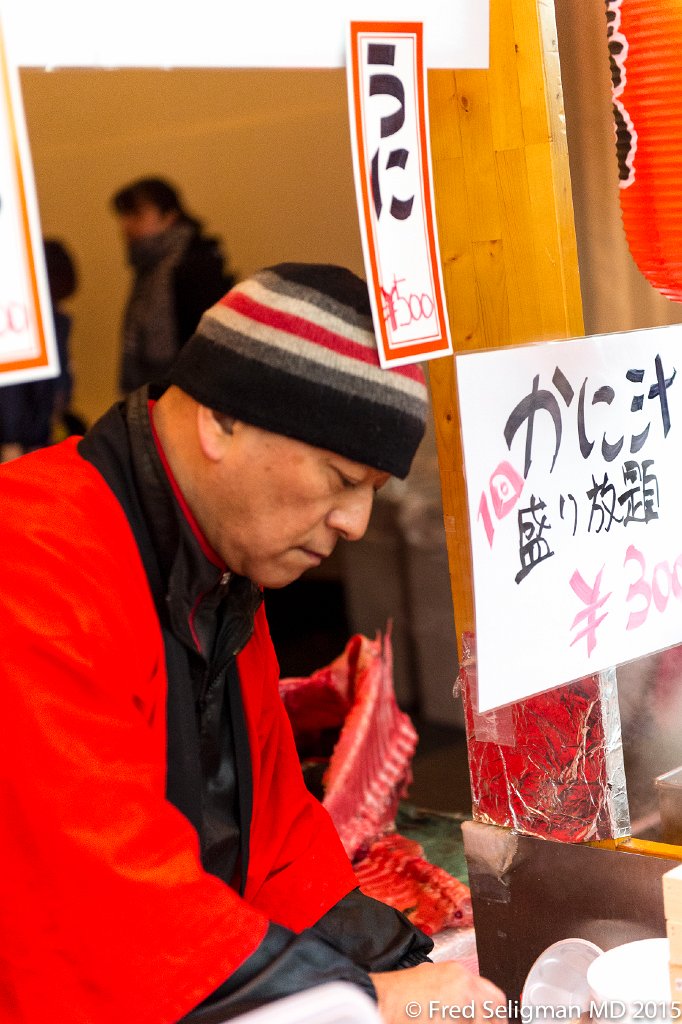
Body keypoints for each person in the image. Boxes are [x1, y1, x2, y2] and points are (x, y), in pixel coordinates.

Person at [0, 263, 504, 1023]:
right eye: (341, 478)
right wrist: (374, 1000)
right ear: (221, 421)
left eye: (373, 491)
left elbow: (271, 830)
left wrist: (403, 957)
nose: (356, 524)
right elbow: (100, 901)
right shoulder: (35, 559)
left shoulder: (217, 565)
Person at [111, 175, 235, 393]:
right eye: (124, 215)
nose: (126, 225)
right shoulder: (148, 267)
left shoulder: (195, 265)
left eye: (136, 214)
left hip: (190, 391)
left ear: (169, 217)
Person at [0, 238, 77, 462]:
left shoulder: (47, 322)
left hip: (31, 433)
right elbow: (13, 389)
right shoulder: (35, 324)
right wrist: (11, 438)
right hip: (27, 436)